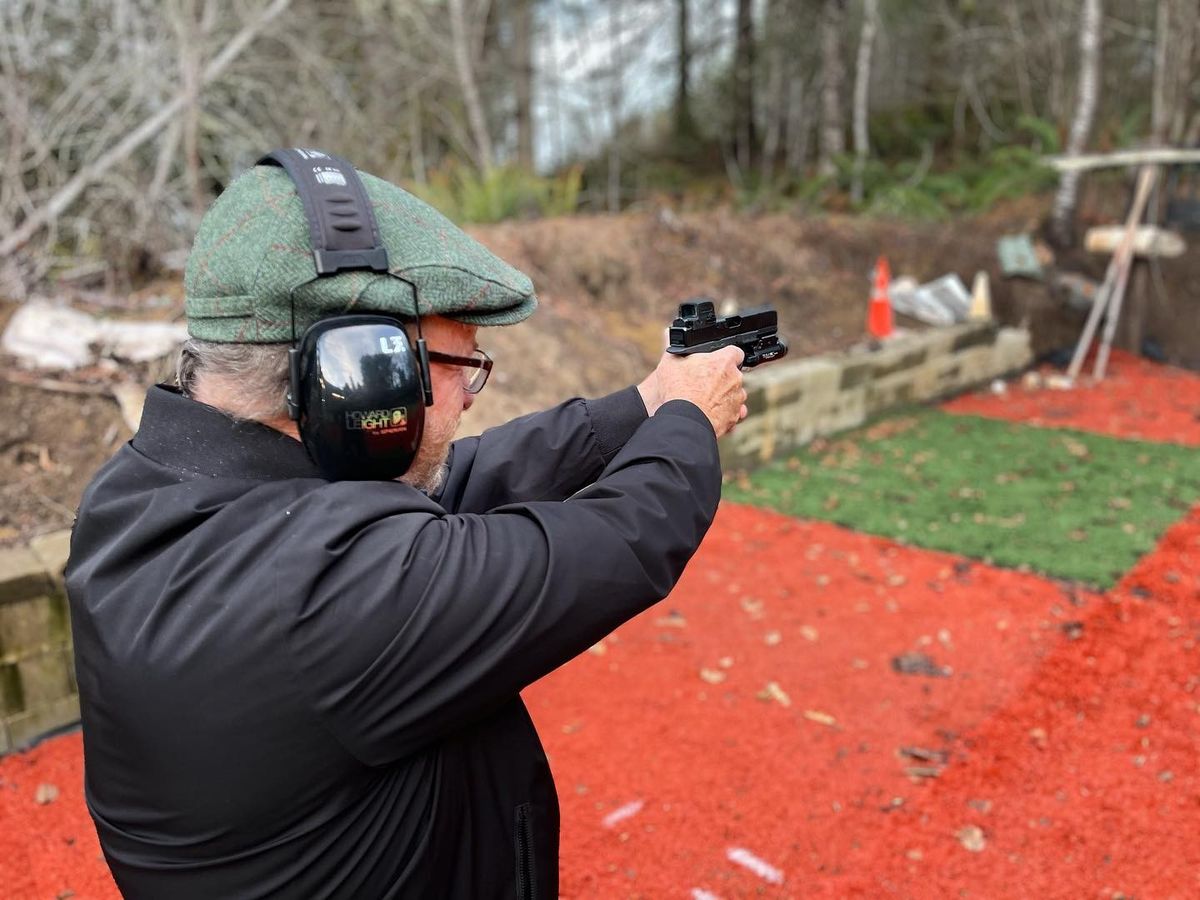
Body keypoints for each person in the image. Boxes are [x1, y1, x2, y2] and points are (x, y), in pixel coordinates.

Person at [65, 157, 746, 899]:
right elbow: (619, 541)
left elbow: (451, 489)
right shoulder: (333, 594)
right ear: (358, 377)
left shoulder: (147, 495)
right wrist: (689, 418)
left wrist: (644, 405)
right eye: (459, 363)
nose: (470, 398)